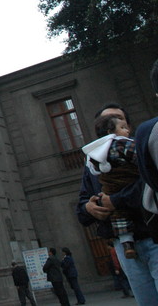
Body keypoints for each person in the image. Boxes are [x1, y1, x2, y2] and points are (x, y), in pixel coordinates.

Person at [77, 103, 158, 304]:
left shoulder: (141, 151)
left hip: (153, 236)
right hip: (122, 244)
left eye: (118, 118)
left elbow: (149, 183)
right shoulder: (93, 162)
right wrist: (89, 207)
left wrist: (115, 200)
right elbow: (82, 206)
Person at [84, 113, 139, 258]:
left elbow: (94, 168)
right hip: (122, 183)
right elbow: (138, 156)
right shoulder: (122, 143)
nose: (127, 131)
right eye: (123, 127)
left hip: (109, 189)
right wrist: (87, 206)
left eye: (127, 127)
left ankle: (127, 242)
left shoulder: (96, 151)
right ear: (110, 131)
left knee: (118, 215)